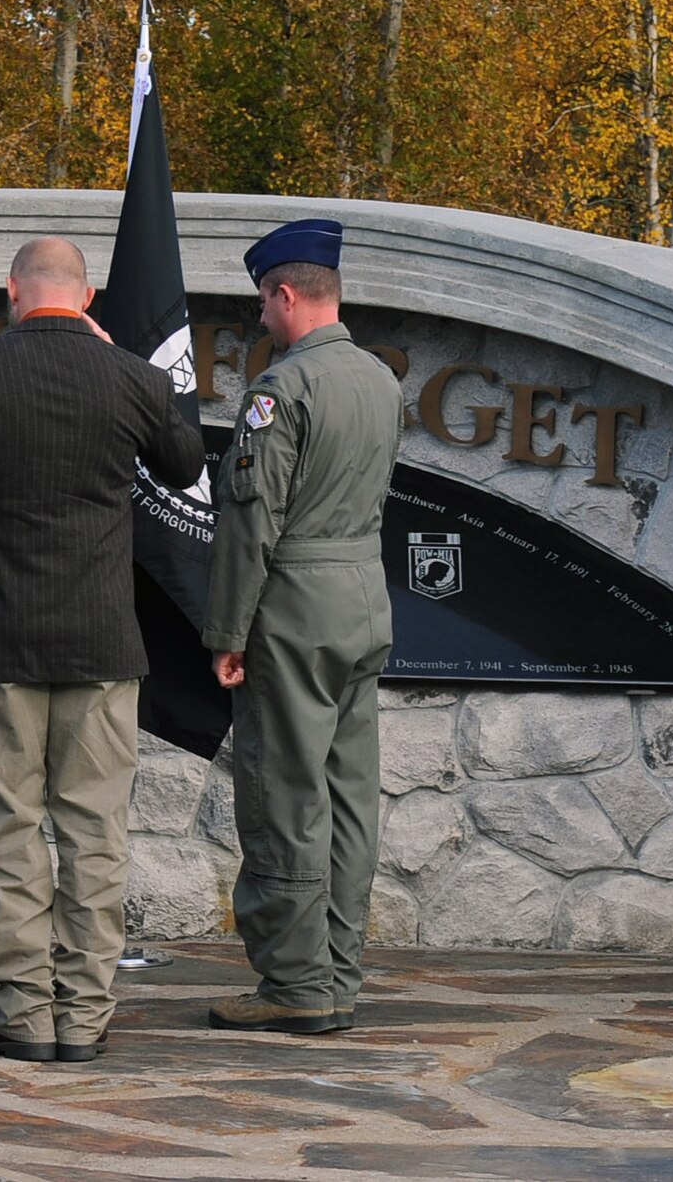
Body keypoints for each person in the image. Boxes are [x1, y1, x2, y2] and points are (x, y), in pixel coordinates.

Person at [0, 237, 205, 1064]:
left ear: (11, 290)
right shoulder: (132, 377)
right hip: (103, 646)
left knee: (6, 832)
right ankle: (85, 1019)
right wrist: (127, 365)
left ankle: (24, 1015)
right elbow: (186, 464)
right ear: (89, 297)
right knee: (95, 835)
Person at [203, 218, 401, 1035]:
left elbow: (253, 522)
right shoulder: (382, 381)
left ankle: (294, 981)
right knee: (351, 796)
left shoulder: (278, 392)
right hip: (363, 597)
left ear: (286, 294)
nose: (259, 318)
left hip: (293, 607)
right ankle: (341, 971)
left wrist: (227, 630)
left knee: (284, 791)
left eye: (262, 301)